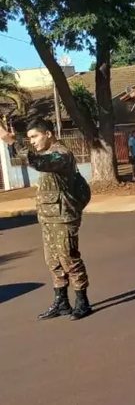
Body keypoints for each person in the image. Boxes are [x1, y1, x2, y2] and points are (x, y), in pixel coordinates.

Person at [0, 118, 92, 321]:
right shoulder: (45, 153)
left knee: (69, 258)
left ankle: (82, 301)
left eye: (35, 136)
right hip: (48, 217)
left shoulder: (61, 154)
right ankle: (62, 301)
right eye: (29, 137)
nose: (32, 141)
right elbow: (33, 158)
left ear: (48, 134)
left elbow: (39, 162)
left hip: (63, 216)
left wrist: (11, 141)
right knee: (53, 261)